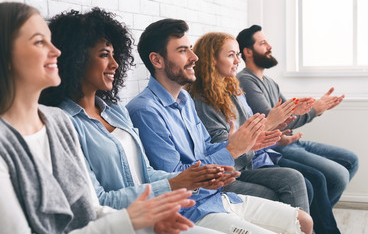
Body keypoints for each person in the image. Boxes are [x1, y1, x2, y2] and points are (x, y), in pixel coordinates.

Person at [0, 2, 199, 234]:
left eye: (51, 41)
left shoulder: (56, 121)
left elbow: (87, 207)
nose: (55, 52)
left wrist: (147, 220)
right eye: (38, 41)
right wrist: (131, 219)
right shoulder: (50, 126)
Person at [39, 8, 230, 234]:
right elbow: (97, 201)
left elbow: (145, 174)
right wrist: (174, 184)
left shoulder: (116, 112)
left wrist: (193, 180)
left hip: (155, 219)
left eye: (114, 55)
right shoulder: (64, 123)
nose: (115, 64)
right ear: (76, 59)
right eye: (104, 55)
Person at [126, 18, 313, 234]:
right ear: (157, 60)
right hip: (193, 210)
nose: (194, 57)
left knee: (304, 221)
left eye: (191, 50)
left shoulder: (184, 99)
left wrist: (242, 145)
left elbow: (205, 148)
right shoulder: (145, 111)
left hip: (218, 196)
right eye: (182, 51)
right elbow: (175, 179)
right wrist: (232, 150)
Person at [236, 24, 360, 234]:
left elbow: (291, 115)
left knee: (351, 160)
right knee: (336, 176)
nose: (269, 46)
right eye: (263, 43)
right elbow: (275, 119)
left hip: (293, 141)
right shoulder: (245, 81)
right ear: (247, 51)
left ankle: (318, 217)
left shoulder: (270, 82)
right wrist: (314, 110)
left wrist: (315, 107)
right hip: (278, 147)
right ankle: (321, 222)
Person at [185, 32, 311, 213]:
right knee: (291, 182)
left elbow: (251, 135)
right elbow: (227, 152)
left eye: (237, 55)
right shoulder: (202, 101)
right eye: (231, 55)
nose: (238, 60)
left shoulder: (233, 90)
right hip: (230, 172)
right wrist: (268, 123)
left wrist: (273, 131)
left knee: (300, 180)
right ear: (211, 60)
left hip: (250, 163)